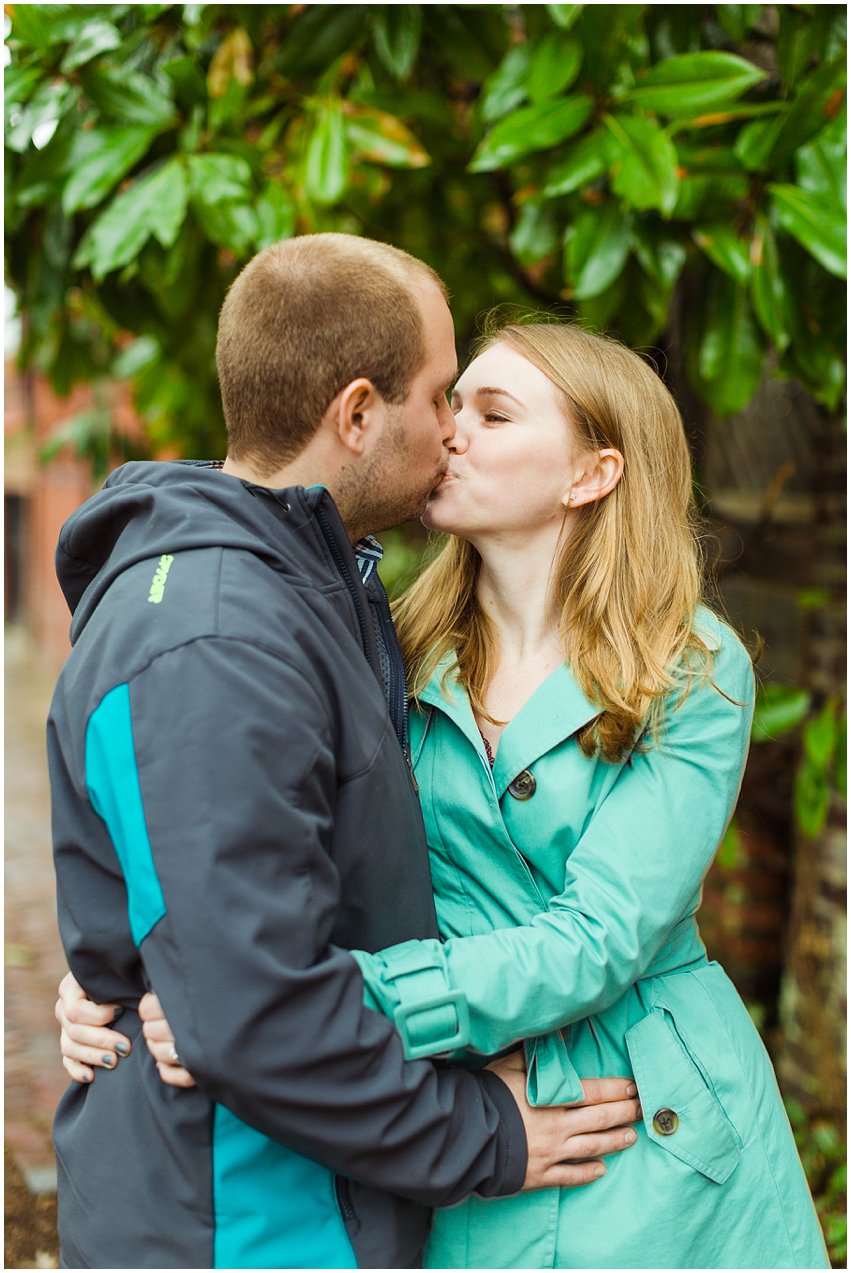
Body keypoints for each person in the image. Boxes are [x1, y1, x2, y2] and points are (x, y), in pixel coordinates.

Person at [60, 315, 830, 1269]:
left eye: (493, 413)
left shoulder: (689, 663)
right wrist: (152, 966)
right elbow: (269, 836)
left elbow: (601, 934)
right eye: (451, 402)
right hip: (464, 1105)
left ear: (592, 473)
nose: (450, 431)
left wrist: (304, 1001)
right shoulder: (388, 637)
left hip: (646, 1115)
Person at [46, 235, 641, 1271]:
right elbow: (251, 1011)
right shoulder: (217, 640)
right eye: (441, 395)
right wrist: (485, 1134)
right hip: (245, 1220)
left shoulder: (319, 583)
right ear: (357, 413)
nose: (452, 428)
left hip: (313, 1192)